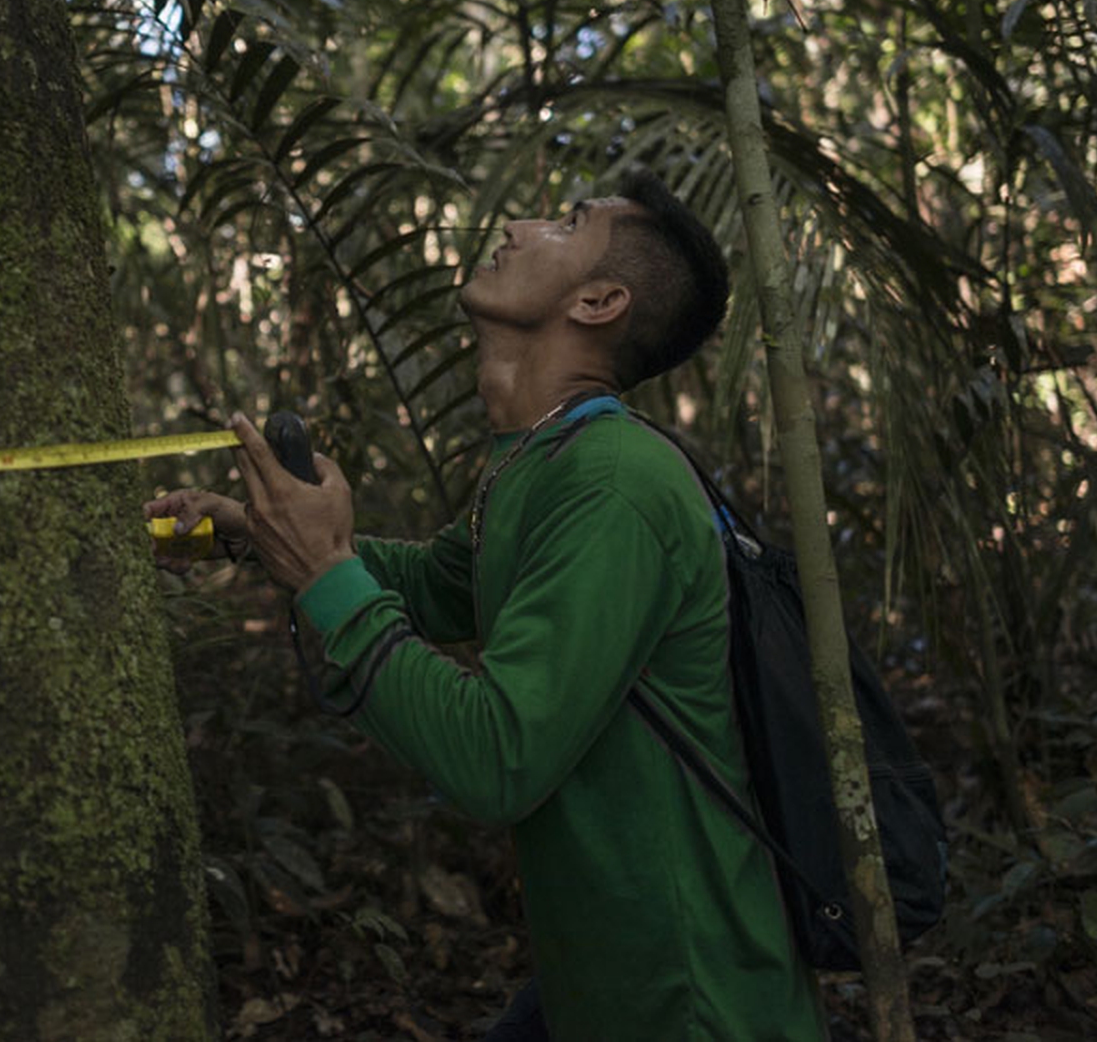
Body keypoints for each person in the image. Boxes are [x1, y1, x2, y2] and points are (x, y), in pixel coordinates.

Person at [145, 169, 824, 1040]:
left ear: (601, 300)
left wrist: (323, 570)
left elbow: (498, 756)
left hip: (693, 1002)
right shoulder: (542, 457)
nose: (519, 222)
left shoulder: (615, 484)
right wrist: (254, 529)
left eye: (568, 221)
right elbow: (436, 584)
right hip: (600, 985)